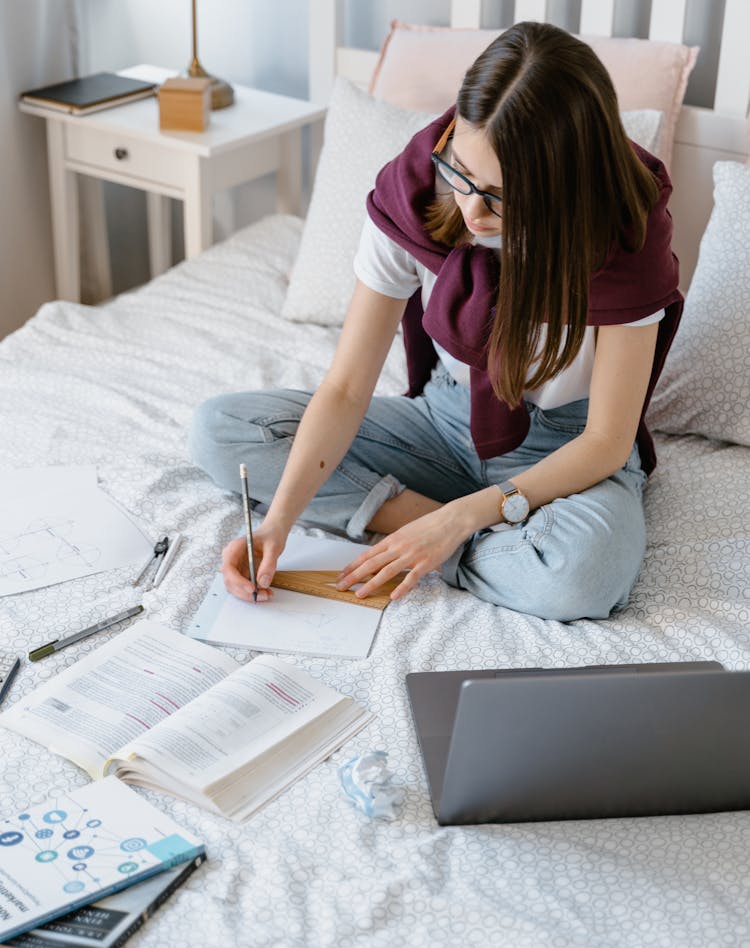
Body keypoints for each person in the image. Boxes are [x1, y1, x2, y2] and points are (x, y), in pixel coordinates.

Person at [189, 21, 683, 622]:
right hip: (444, 420)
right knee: (223, 432)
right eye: (462, 173)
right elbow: (346, 386)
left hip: (568, 447)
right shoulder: (416, 189)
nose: (472, 211)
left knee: (582, 575)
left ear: (565, 187)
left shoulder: (624, 232)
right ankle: (447, 537)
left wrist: (463, 517)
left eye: (502, 196)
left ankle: (433, 533)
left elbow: (606, 441)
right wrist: (278, 523)